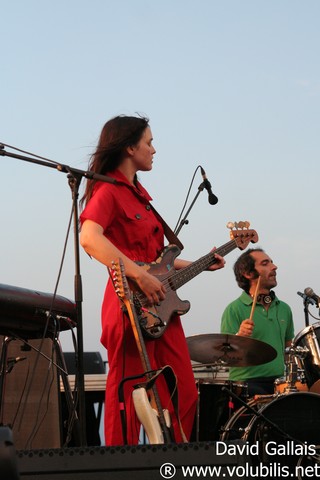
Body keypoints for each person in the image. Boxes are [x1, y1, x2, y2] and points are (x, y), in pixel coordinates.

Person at [79, 114, 225, 445]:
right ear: (130, 147)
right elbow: (89, 238)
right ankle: (121, 468)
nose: (154, 149)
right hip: (129, 304)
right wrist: (139, 277)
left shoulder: (140, 197)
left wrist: (202, 263)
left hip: (162, 308)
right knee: (129, 398)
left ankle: (176, 459)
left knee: (183, 391)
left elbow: (159, 263)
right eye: (149, 142)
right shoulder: (109, 190)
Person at [220, 247, 294, 397]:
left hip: (278, 383)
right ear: (248, 274)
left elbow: (289, 351)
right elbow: (225, 356)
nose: (274, 267)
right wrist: (239, 336)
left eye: (272, 262)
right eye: (265, 263)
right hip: (246, 384)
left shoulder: (285, 308)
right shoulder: (234, 309)